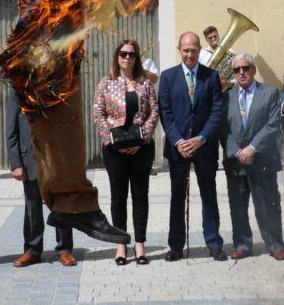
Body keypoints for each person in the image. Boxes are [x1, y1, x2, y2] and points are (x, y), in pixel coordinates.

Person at [158, 31, 227, 261]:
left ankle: (214, 243)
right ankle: (176, 245)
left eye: (193, 50)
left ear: (200, 50)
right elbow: (165, 113)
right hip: (178, 149)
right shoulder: (167, 77)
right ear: (180, 50)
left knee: (209, 195)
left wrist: (201, 138)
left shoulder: (212, 77)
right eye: (186, 50)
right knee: (177, 196)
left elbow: (217, 112)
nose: (189, 54)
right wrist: (179, 141)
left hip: (204, 147)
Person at [92, 39, 159, 265]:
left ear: (137, 58)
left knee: (141, 196)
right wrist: (110, 139)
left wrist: (143, 139)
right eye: (123, 53)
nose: (127, 58)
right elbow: (98, 113)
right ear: (116, 56)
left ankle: (140, 244)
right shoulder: (105, 83)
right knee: (118, 197)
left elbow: (153, 112)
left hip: (142, 148)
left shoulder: (145, 83)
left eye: (131, 54)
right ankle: (121, 245)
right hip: (114, 150)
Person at [224, 54, 284, 260]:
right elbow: (223, 128)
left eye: (246, 68)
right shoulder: (227, 96)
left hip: (262, 160)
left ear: (254, 69)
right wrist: (236, 151)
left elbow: (272, 125)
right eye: (237, 70)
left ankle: (275, 244)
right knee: (238, 206)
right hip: (236, 161)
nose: (241, 72)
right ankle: (242, 245)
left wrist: (252, 148)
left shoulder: (269, 93)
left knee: (268, 205)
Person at [6, 84, 75, 267]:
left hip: (56, 156)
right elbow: (11, 127)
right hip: (29, 157)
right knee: (32, 208)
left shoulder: (58, 82)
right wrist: (16, 163)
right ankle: (32, 250)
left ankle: (65, 249)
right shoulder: (17, 87)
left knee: (61, 204)